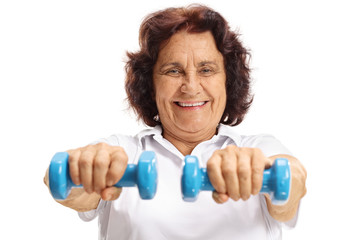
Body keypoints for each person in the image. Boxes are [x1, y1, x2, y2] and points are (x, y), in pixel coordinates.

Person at [44, 4, 307, 240]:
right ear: (151, 84)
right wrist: (82, 168)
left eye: (206, 69)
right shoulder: (123, 152)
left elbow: (293, 181)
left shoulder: (259, 148)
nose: (191, 87)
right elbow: (68, 187)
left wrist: (258, 169)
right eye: (173, 71)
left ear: (227, 81)